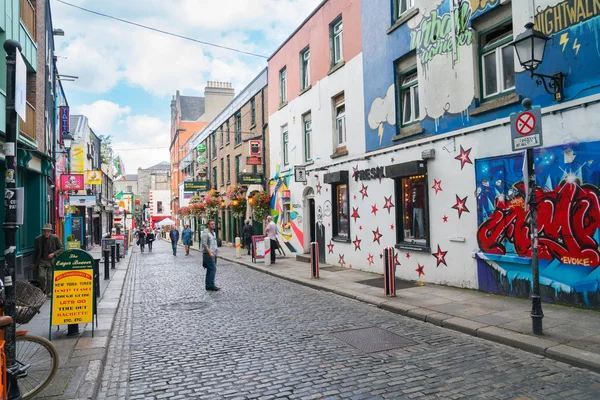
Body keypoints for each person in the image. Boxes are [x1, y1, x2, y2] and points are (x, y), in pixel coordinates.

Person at [33, 224, 64, 296]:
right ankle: (43, 288)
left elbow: (61, 248)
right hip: (41, 260)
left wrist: (53, 254)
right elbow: (35, 251)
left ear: (50, 232)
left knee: (50, 277)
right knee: (41, 276)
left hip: (51, 261)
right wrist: (34, 263)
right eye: (44, 231)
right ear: (43, 232)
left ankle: (49, 292)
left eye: (48, 231)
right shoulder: (38, 239)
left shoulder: (55, 238)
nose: (46, 233)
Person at [201, 220, 220, 291]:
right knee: (213, 269)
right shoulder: (205, 233)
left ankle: (208, 285)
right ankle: (211, 285)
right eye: (211, 224)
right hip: (208, 254)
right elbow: (204, 244)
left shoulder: (213, 233)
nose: (213, 225)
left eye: (214, 224)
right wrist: (210, 252)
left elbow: (213, 242)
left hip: (214, 253)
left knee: (210, 269)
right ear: (208, 225)